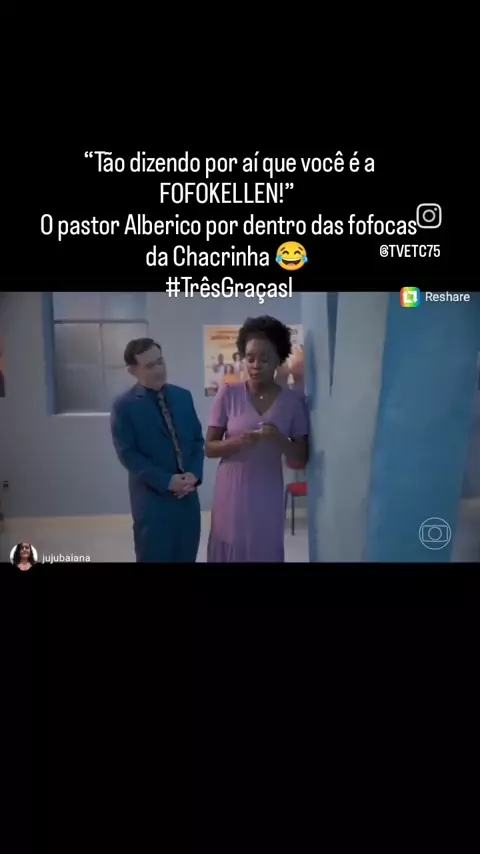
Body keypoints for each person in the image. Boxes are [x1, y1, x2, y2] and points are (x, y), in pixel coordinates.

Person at [206, 316, 309, 562]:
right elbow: (209, 448)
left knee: (264, 545)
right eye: (250, 358)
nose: (255, 365)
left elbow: (301, 456)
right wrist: (237, 442)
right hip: (231, 489)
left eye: (264, 359)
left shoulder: (292, 402)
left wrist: (278, 439)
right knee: (230, 545)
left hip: (267, 489)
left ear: (278, 360)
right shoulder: (228, 394)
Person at [110, 338, 204, 562]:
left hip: (188, 501)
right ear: (133, 371)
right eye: (149, 366)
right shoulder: (124, 406)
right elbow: (128, 454)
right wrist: (167, 481)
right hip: (153, 502)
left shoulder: (183, 396)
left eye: (160, 362)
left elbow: (196, 441)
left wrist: (194, 475)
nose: (159, 370)